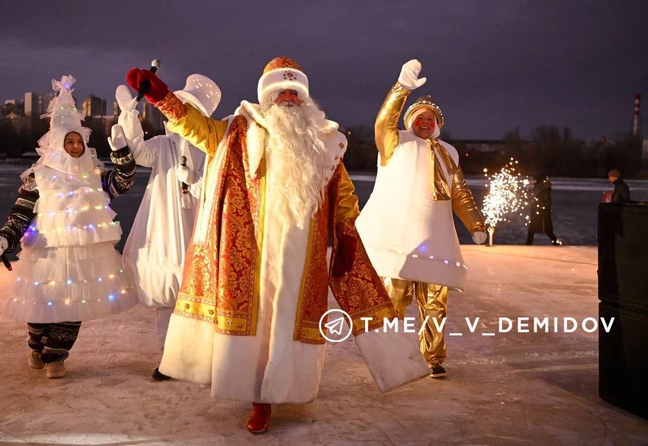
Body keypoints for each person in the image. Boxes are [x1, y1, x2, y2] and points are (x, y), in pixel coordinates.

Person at [126, 57, 428, 434]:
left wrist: (346, 231)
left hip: (302, 257)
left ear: (304, 98)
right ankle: (258, 397)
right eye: (279, 92)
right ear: (266, 97)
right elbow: (199, 129)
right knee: (257, 323)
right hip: (251, 249)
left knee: (287, 326)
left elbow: (344, 193)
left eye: (294, 92)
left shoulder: (326, 140)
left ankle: (275, 392)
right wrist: (162, 98)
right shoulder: (239, 131)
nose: (287, 98)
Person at [0, 75, 138, 379]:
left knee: (72, 305)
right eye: (68, 141)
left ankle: (56, 356)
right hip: (46, 254)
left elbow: (122, 183)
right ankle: (37, 346)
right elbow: (22, 212)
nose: (74, 146)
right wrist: (6, 236)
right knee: (41, 303)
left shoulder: (94, 174)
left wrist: (122, 153)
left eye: (78, 141)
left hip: (83, 257)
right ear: (57, 143)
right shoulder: (39, 176)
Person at [355, 59, 487, 380]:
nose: (425, 122)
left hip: (436, 240)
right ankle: (392, 355)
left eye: (431, 119)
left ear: (437, 124)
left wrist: (476, 224)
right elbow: (383, 121)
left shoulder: (449, 153)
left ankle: (433, 357)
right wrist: (401, 88)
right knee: (393, 302)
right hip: (400, 240)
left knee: (435, 305)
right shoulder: (396, 142)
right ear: (410, 121)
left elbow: (460, 194)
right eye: (419, 118)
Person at [115, 75, 221, 381]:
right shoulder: (164, 145)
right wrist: (129, 120)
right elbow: (140, 152)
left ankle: (203, 357)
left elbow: (215, 191)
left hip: (197, 227)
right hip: (165, 226)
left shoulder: (212, 149)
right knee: (167, 294)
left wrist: (195, 181)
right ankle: (168, 358)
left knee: (199, 294)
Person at [526, 174, 562, 246]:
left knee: (539, 229)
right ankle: (555, 242)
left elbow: (544, 201)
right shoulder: (544, 187)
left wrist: (540, 207)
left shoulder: (542, 188)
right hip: (541, 211)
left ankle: (528, 244)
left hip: (541, 212)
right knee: (544, 229)